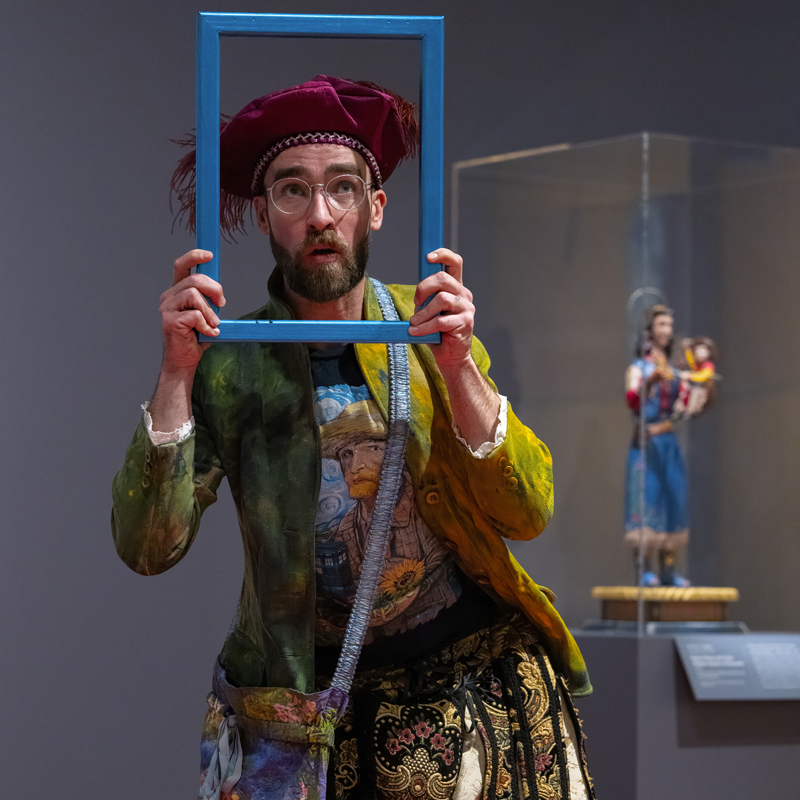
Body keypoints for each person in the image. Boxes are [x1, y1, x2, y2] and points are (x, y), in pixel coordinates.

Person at [112, 75, 593, 800]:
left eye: (342, 188)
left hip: (471, 696)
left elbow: (529, 512)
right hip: (310, 717)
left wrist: (458, 368)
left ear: (375, 209)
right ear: (265, 213)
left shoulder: (429, 329)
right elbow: (148, 548)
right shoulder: (230, 364)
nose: (320, 215)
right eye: (292, 191)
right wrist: (176, 374)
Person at [624, 304, 691, 586]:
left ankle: (669, 570)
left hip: (668, 443)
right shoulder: (639, 368)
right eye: (662, 325)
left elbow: (684, 405)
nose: (667, 331)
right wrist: (650, 381)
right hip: (646, 444)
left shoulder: (674, 368)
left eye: (669, 325)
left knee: (673, 501)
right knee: (646, 500)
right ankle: (644, 570)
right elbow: (633, 402)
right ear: (650, 332)